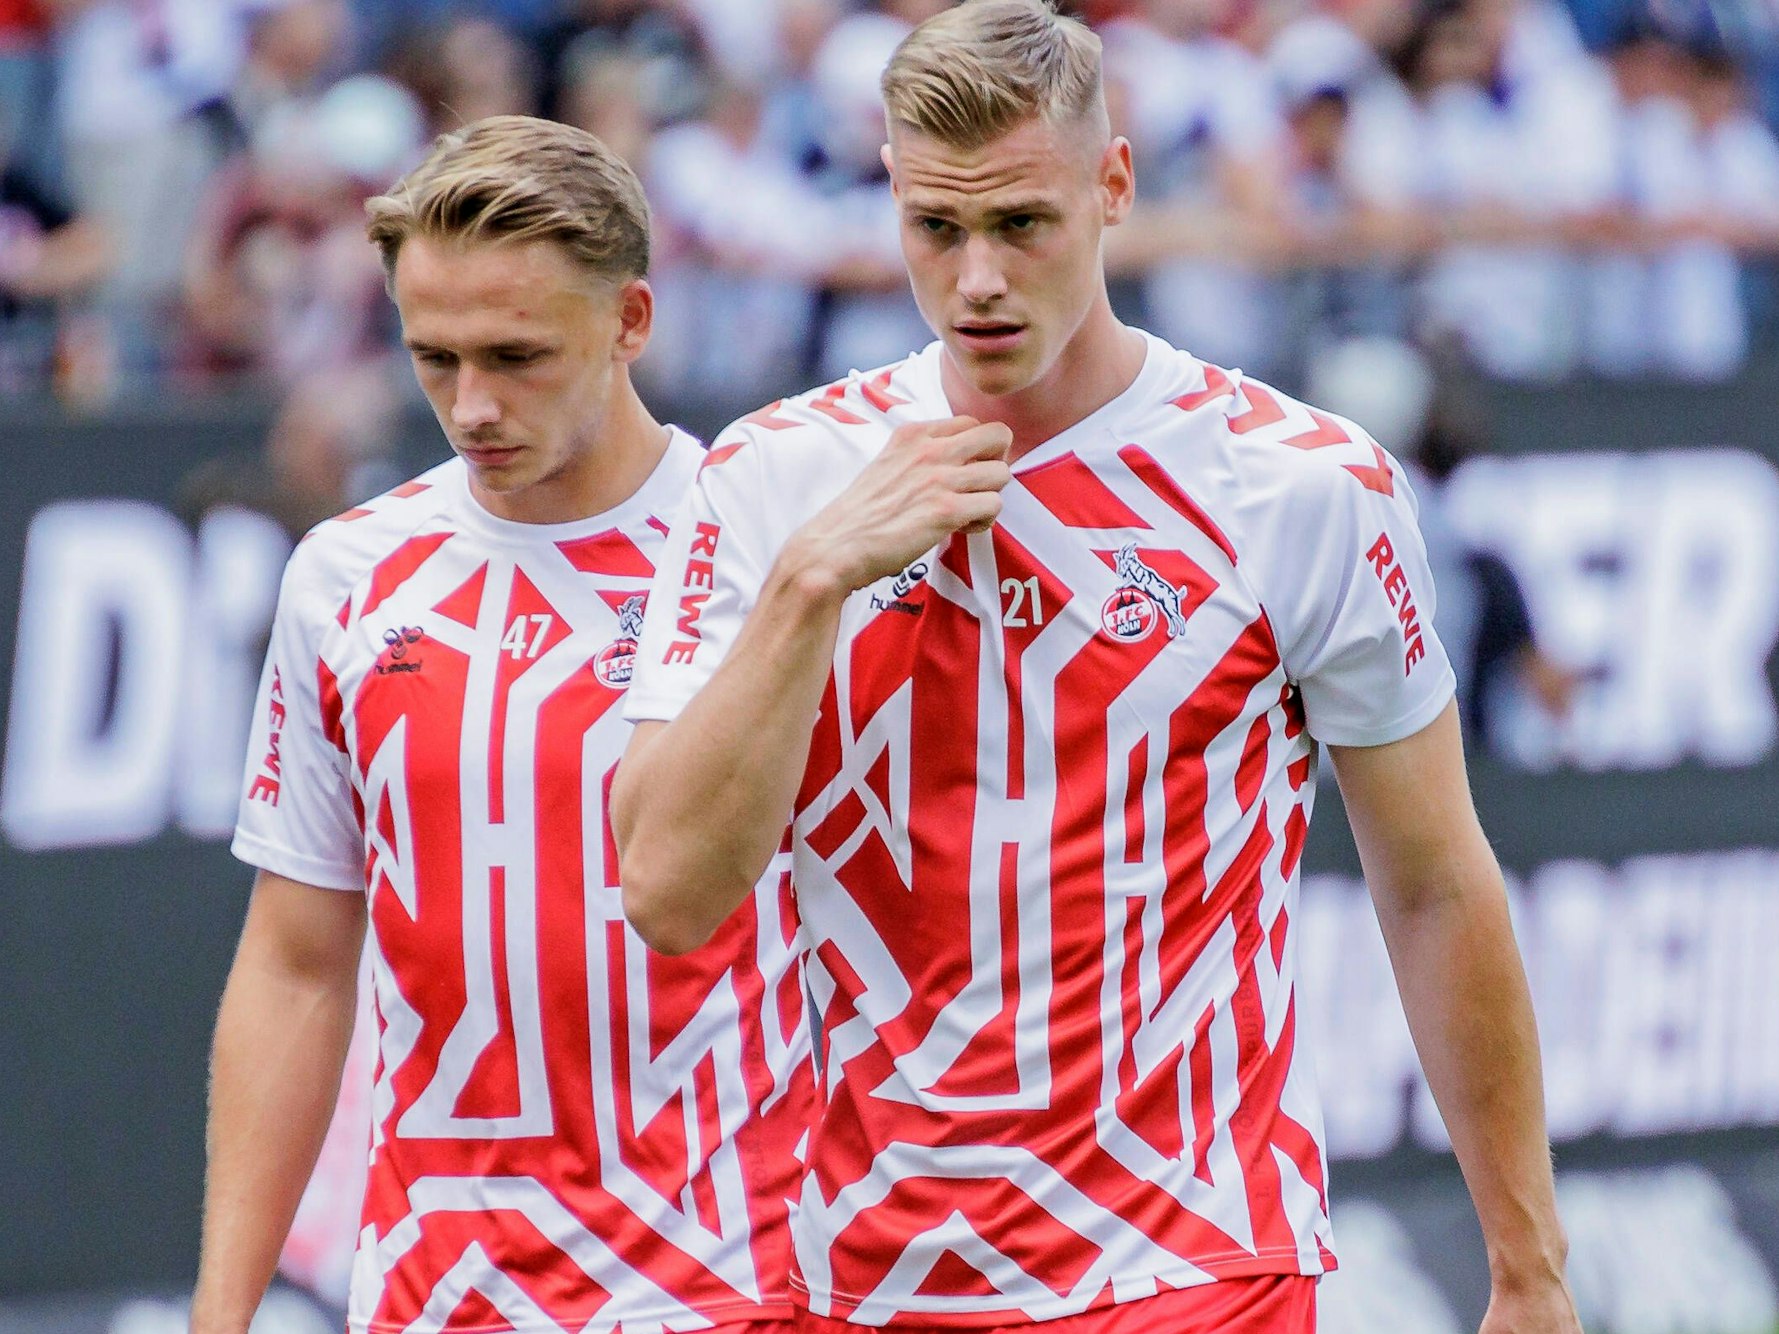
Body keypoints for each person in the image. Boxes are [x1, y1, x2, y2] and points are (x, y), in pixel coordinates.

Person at [612, 4, 1580, 1331]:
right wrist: (809, 580)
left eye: (1022, 223)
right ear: (889, 194)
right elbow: (667, 892)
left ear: (1112, 184)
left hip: (1190, 1266)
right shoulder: (776, 479)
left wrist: (1527, 1266)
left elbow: (1432, 881)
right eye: (936, 228)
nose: (976, 280)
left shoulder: (1297, 485)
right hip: (853, 1270)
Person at [191, 115, 812, 1334]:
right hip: (440, 1294)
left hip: (743, 1284)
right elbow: (297, 964)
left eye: (516, 355)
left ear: (631, 320)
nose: (471, 405)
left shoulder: (774, 554)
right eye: (435, 357)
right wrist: (221, 1314)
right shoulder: (347, 580)